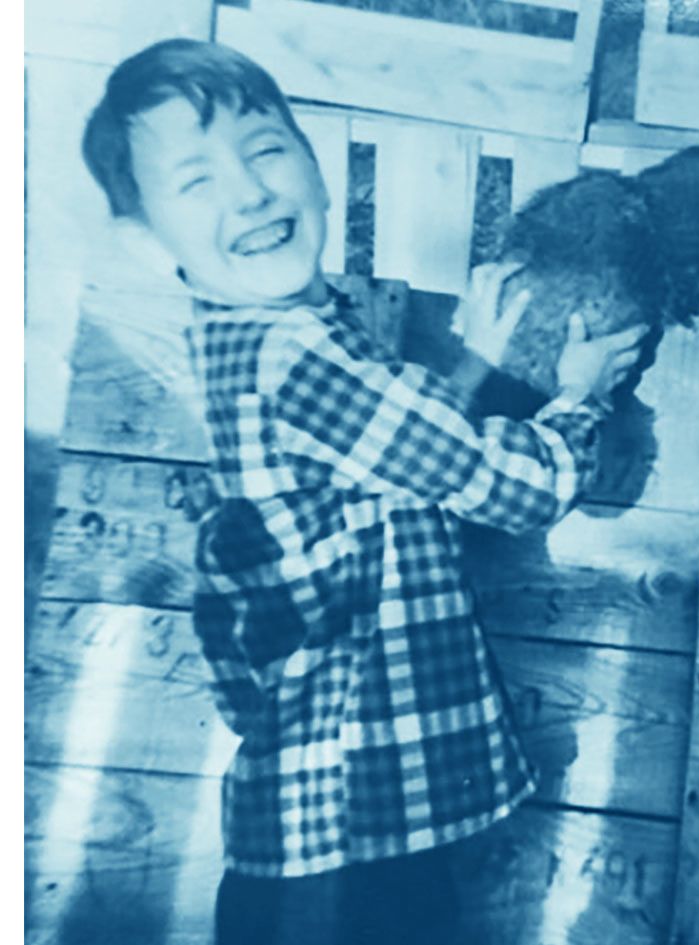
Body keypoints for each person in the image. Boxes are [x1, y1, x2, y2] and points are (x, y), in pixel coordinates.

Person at [82, 38, 647, 945]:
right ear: (148, 241)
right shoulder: (294, 356)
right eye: (196, 181)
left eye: (265, 151)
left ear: (312, 159)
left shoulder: (266, 340)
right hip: (344, 858)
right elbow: (513, 485)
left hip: (323, 834)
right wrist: (580, 396)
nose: (249, 191)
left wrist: (474, 361)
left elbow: (387, 464)